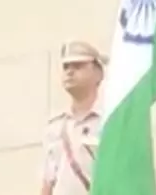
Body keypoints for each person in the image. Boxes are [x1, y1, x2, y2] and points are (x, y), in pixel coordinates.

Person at [42, 41, 107, 195]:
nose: (70, 72)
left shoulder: (109, 121)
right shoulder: (55, 126)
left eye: (78, 66)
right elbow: (48, 180)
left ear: (98, 73)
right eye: (66, 67)